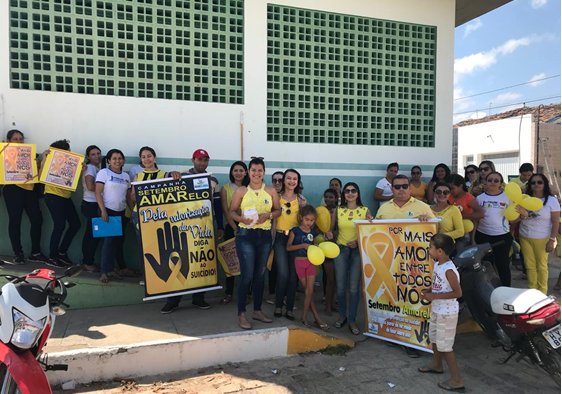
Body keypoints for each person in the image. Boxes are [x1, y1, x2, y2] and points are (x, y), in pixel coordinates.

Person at [375, 174, 435, 357]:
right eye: (397, 187)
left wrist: (429, 222)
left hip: (414, 266)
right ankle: (394, 334)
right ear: (391, 189)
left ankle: (412, 339)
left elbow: (436, 231)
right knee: (393, 297)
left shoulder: (423, 207)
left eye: (404, 186)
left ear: (410, 188)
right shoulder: (384, 209)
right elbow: (375, 233)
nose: (400, 190)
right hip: (390, 265)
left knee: (411, 300)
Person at [160, 149, 224, 313]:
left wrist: (221, 226)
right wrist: (170, 174)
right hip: (182, 229)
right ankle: (173, 300)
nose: (202, 163)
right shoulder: (181, 175)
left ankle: (199, 298)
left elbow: (216, 205)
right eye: (199, 160)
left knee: (201, 263)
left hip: (205, 228)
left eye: (205, 160)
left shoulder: (213, 180)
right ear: (193, 160)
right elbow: (163, 186)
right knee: (180, 262)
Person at [229, 157, 281, 329]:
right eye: (253, 170)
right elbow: (232, 212)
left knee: (260, 275)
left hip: (265, 235)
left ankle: (257, 310)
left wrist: (269, 216)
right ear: (248, 172)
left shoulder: (271, 191)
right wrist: (241, 218)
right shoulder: (241, 191)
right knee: (247, 276)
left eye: (260, 170)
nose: (256, 173)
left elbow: (278, 210)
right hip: (246, 235)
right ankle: (241, 314)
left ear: (264, 172)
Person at [419, 234, 465, 393]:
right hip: (437, 309)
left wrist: (434, 296)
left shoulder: (450, 270)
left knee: (446, 347)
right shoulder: (438, 264)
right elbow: (438, 284)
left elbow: (458, 293)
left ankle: (457, 380)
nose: (428, 249)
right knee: (435, 339)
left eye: (430, 247)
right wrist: (429, 291)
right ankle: (436, 365)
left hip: (447, 313)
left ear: (439, 251)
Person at [326, 182, 373, 335]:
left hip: (358, 252)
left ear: (358, 193)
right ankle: (342, 316)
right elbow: (332, 231)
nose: (350, 193)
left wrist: (358, 242)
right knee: (340, 287)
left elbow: (369, 233)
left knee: (354, 288)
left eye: (353, 190)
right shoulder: (338, 210)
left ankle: (352, 319)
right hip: (340, 250)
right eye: (347, 191)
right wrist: (330, 234)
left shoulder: (365, 211)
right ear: (343, 194)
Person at [1, 130, 48, 265]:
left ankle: (35, 253)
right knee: (15, 221)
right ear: (9, 141)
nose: (19, 141)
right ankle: (18, 253)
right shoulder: (4, 154)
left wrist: (40, 161)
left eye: (21, 139)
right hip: (12, 189)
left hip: (30, 189)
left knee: (37, 220)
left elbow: (39, 175)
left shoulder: (30, 154)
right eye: (15, 139)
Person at [472, 172, 527, 287]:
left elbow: (512, 219)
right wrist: (473, 238)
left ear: (500, 184)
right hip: (483, 235)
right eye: (490, 180)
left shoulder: (507, 197)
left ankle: (506, 290)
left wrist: (522, 216)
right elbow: (476, 220)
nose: (492, 182)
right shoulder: (479, 198)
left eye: (496, 181)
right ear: (485, 182)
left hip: (502, 236)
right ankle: (489, 289)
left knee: (503, 265)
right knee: (487, 265)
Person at [41, 139, 84, 268]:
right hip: (52, 195)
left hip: (65, 196)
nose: (70, 152)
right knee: (59, 225)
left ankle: (62, 252)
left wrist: (81, 169)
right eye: (68, 151)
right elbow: (40, 176)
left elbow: (73, 180)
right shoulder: (49, 160)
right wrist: (44, 159)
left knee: (75, 224)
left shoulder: (70, 163)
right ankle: (52, 257)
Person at [287, 205, 330, 331]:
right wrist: (303, 245)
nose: (309, 223)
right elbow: (288, 247)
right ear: (301, 217)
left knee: (309, 292)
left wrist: (316, 246)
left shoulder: (312, 232)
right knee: (307, 292)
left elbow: (313, 245)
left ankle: (305, 317)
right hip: (299, 263)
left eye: (312, 220)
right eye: (307, 220)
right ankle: (314, 318)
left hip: (310, 263)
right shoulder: (295, 231)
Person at [130, 147, 167, 282]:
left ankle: (161, 275)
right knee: (143, 246)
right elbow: (133, 196)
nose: (146, 159)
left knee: (160, 244)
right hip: (139, 215)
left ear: (155, 157)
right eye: (143, 157)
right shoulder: (138, 176)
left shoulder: (164, 174)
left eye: (149, 156)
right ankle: (146, 277)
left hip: (159, 216)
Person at [274, 169, 307, 320]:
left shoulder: (302, 200)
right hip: (280, 239)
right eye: (288, 178)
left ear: (298, 182)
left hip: (296, 240)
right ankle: (278, 305)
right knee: (283, 274)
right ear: (284, 180)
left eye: (295, 179)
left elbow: (306, 222)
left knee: (294, 276)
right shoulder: (276, 197)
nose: (291, 181)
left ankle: (289, 308)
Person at [519, 174, 560, 294]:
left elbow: (555, 221)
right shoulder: (525, 199)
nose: (536, 185)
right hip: (524, 236)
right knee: (529, 266)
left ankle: (542, 293)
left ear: (545, 185)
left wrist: (552, 239)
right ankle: (532, 292)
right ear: (530, 185)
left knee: (541, 267)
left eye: (540, 182)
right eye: (533, 182)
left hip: (542, 238)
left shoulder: (552, 200)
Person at [95, 149, 131, 283]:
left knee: (117, 242)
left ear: (124, 160)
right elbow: (98, 193)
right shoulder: (104, 173)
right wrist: (103, 210)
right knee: (109, 242)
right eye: (114, 158)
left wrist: (132, 211)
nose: (117, 161)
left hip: (121, 212)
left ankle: (112, 269)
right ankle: (104, 272)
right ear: (109, 160)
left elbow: (128, 196)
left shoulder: (126, 176)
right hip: (107, 211)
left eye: (120, 158)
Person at [219, 161, 250, 305]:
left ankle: (246, 293)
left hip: (248, 226)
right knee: (230, 260)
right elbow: (226, 210)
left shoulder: (250, 188)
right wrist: (235, 228)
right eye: (235, 170)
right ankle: (229, 293)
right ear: (231, 172)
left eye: (241, 170)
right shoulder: (225, 188)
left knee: (247, 261)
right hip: (231, 226)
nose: (238, 173)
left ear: (246, 172)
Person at [446, 174, 484, 252]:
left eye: (452, 188)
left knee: (460, 257)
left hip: (464, 232)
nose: (450, 191)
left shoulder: (468, 198)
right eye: (449, 188)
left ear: (460, 186)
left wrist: (461, 216)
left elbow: (481, 213)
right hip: (449, 231)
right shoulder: (447, 195)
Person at [510, 163, 534, 281]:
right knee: (520, 244)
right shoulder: (513, 182)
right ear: (520, 173)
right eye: (524, 175)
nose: (527, 178)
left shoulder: (535, 182)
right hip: (515, 215)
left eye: (529, 175)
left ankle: (531, 272)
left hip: (530, 216)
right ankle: (524, 271)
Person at [81, 145, 102, 272]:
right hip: (91, 204)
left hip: (94, 204)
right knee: (92, 235)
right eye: (93, 154)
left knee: (92, 234)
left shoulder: (97, 168)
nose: (97, 156)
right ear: (88, 157)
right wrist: (107, 186)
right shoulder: (90, 168)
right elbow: (90, 186)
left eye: (98, 153)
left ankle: (87, 261)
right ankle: (88, 263)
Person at [321, 188, 338, 315]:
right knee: (329, 279)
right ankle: (327, 306)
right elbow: (315, 228)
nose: (328, 199)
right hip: (326, 248)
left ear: (336, 198)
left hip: (339, 247)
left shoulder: (340, 211)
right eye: (326, 197)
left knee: (336, 280)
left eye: (331, 197)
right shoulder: (321, 211)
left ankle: (332, 303)